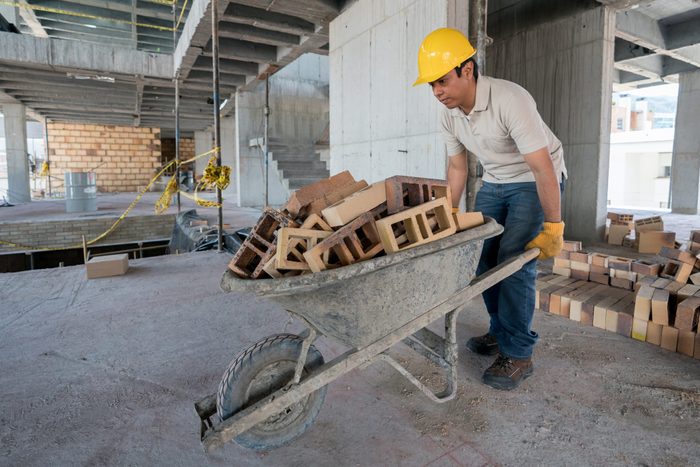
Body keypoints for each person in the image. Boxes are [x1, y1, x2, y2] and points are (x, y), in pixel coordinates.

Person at [413, 28, 568, 390]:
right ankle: (500, 332)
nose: (437, 92)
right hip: (495, 182)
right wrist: (445, 219)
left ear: (467, 70)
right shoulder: (449, 114)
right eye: (431, 85)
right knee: (481, 258)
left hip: (533, 180)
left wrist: (554, 225)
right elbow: (457, 169)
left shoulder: (510, 99)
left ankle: (518, 354)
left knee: (514, 262)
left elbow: (542, 166)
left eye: (442, 81)